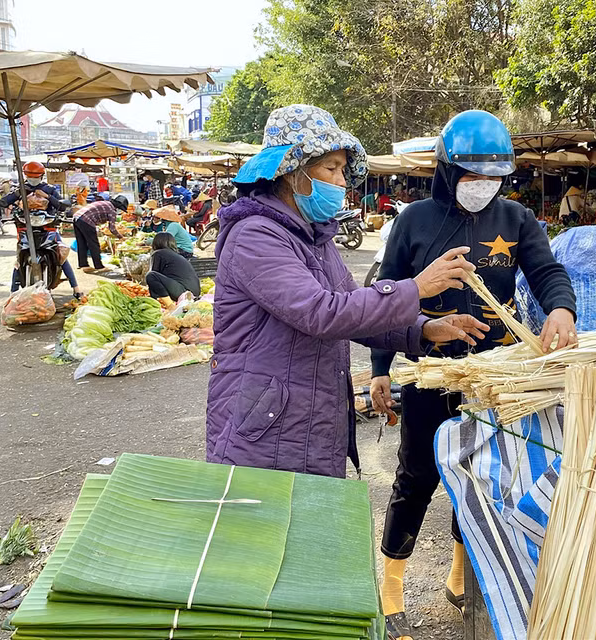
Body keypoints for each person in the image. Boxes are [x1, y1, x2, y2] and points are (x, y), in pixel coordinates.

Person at [369, 110, 577, 640]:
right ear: (445, 169)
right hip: (428, 371)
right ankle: (391, 585)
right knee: (416, 475)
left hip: (494, 377)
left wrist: (561, 310)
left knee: (480, 475)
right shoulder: (414, 220)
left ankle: (462, 574)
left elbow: (549, 273)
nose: (482, 187)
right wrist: (379, 371)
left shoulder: (517, 221)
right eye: (471, 175)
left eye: (493, 177)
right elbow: (383, 298)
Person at [205, 104, 488, 486]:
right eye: (330, 168)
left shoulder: (312, 235)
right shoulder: (256, 235)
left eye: (342, 170)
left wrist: (422, 330)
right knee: (267, 538)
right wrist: (416, 287)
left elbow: (353, 308)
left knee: (308, 535)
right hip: (266, 428)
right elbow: (322, 313)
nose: (341, 181)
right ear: (292, 171)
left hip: (308, 419)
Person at [72, 195, 128, 272]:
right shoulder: (112, 210)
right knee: (93, 244)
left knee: (82, 242)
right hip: (86, 220)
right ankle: (99, 266)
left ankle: (83, 265)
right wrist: (121, 237)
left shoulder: (105, 203)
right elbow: (112, 228)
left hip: (76, 217)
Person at [146, 232, 200, 307]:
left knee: (150, 276)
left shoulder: (158, 253)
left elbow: (154, 276)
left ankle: (170, 306)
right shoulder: (175, 255)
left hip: (184, 291)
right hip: (194, 292)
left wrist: (152, 299)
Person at [0, 162, 68, 216]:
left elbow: (62, 207)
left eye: (36, 177)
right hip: (24, 222)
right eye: (30, 177)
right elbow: (3, 202)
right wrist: (18, 194)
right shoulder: (20, 188)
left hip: (47, 223)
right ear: (26, 176)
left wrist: (48, 196)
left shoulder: (49, 189)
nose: (33, 179)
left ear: (41, 176)